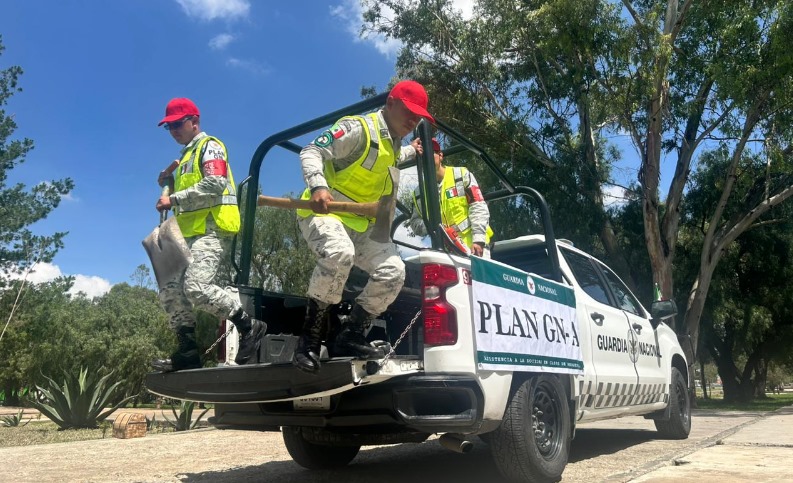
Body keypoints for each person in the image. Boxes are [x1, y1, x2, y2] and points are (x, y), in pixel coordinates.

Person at [293, 80, 434, 373]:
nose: (414, 120)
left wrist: (413, 150)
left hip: (362, 226)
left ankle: (350, 334)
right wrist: (318, 186)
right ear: (391, 103)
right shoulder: (359, 128)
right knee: (339, 253)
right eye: (409, 111)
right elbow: (311, 151)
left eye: (419, 116)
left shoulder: (394, 142)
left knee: (394, 272)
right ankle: (309, 340)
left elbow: (390, 157)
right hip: (325, 215)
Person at [151, 98, 265, 372]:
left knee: (196, 287)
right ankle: (187, 350)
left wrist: (173, 197)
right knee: (169, 290)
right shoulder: (186, 157)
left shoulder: (210, 146)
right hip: (187, 234)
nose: (174, 130)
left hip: (213, 228)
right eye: (169, 127)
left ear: (194, 121)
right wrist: (167, 181)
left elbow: (215, 183)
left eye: (178, 124)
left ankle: (249, 326)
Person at [409, 137, 493, 257]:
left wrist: (478, 240)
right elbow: (415, 223)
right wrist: (431, 226)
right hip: (444, 253)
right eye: (421, 155)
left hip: (474, 248)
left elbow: (478, 206)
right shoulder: (418, 193)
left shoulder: (461, 175)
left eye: (430, 152)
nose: (426, 157)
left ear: (440, 155)